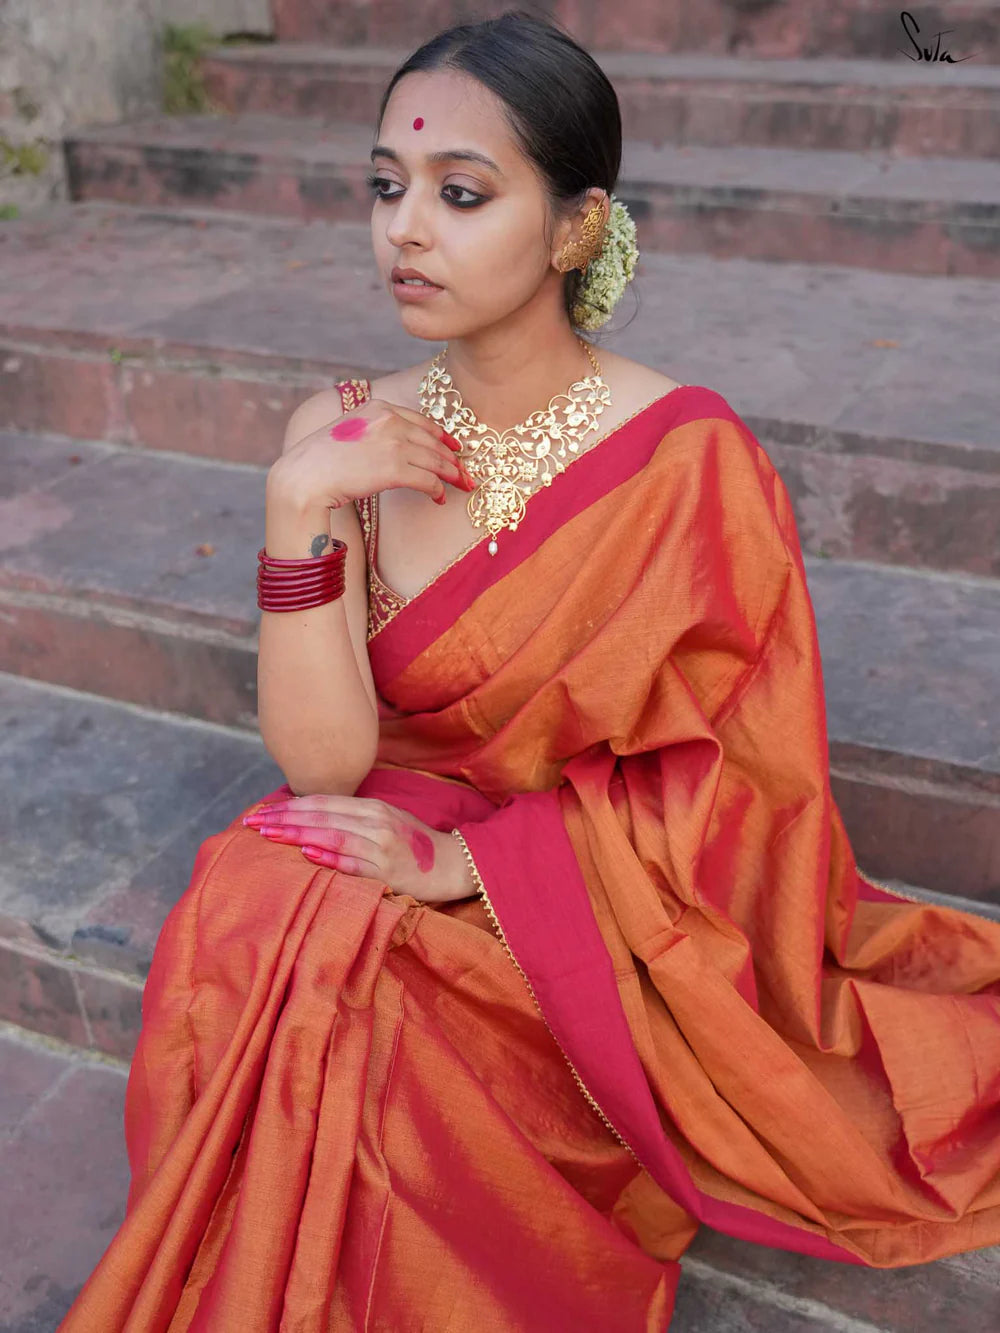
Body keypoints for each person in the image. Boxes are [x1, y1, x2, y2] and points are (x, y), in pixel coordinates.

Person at [58, 10, 1000, 1331]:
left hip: (596, 903)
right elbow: (326, 765)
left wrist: (479, 870)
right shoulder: (337, 433)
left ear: (574, 226)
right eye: (386, 187)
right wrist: (296, 512)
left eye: (461, 194)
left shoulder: (687, 463)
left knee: (372, 975)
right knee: (255, 904)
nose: (405, 228)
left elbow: (745, 794)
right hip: (396, 813)